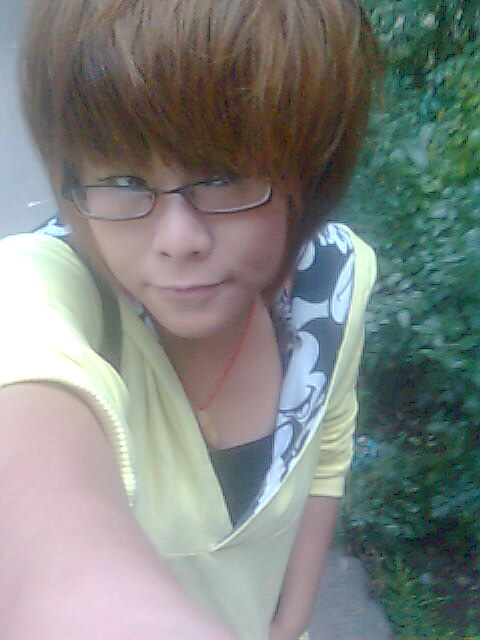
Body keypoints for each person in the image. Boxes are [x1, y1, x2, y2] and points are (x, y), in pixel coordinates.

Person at [0, 1, 379, 639]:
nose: (179, 240)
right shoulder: (41, 289)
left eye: (223, 176)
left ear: (310, 171)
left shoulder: (334, 282)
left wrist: (289, 624)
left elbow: (328, 452)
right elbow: (40, 540)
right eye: (124, 179)